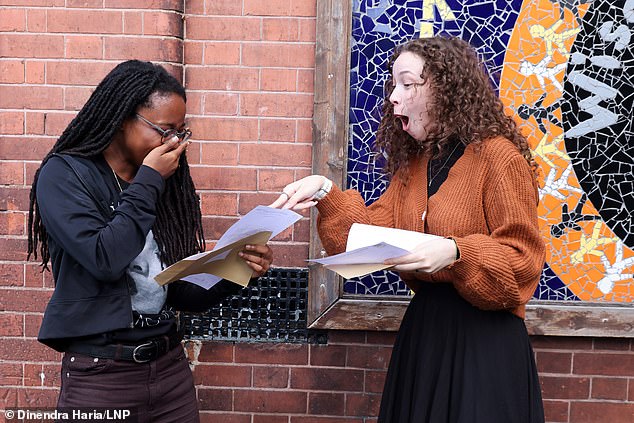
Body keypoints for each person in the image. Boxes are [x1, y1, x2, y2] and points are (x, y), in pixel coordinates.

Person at [271, 36, 545, 423]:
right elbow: (365, 235)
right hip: (425, 336)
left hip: (485, 344)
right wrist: (324, 190)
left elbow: (523, 262)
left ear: (445, 89)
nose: (393, 97)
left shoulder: (500, 158)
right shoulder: (415, 166)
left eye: (407, 84)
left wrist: (456, 251)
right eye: (392, 85)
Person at [27, 60, 273, 422]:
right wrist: (148, 181)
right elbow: (105, 259)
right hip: (101, 377)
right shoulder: (64, 176)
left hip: (169, 371)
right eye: (164, 130)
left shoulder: (163, 185)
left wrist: (241, 268)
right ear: (123, 118)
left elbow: (180, 292)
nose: (173, 142)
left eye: (181, 131)